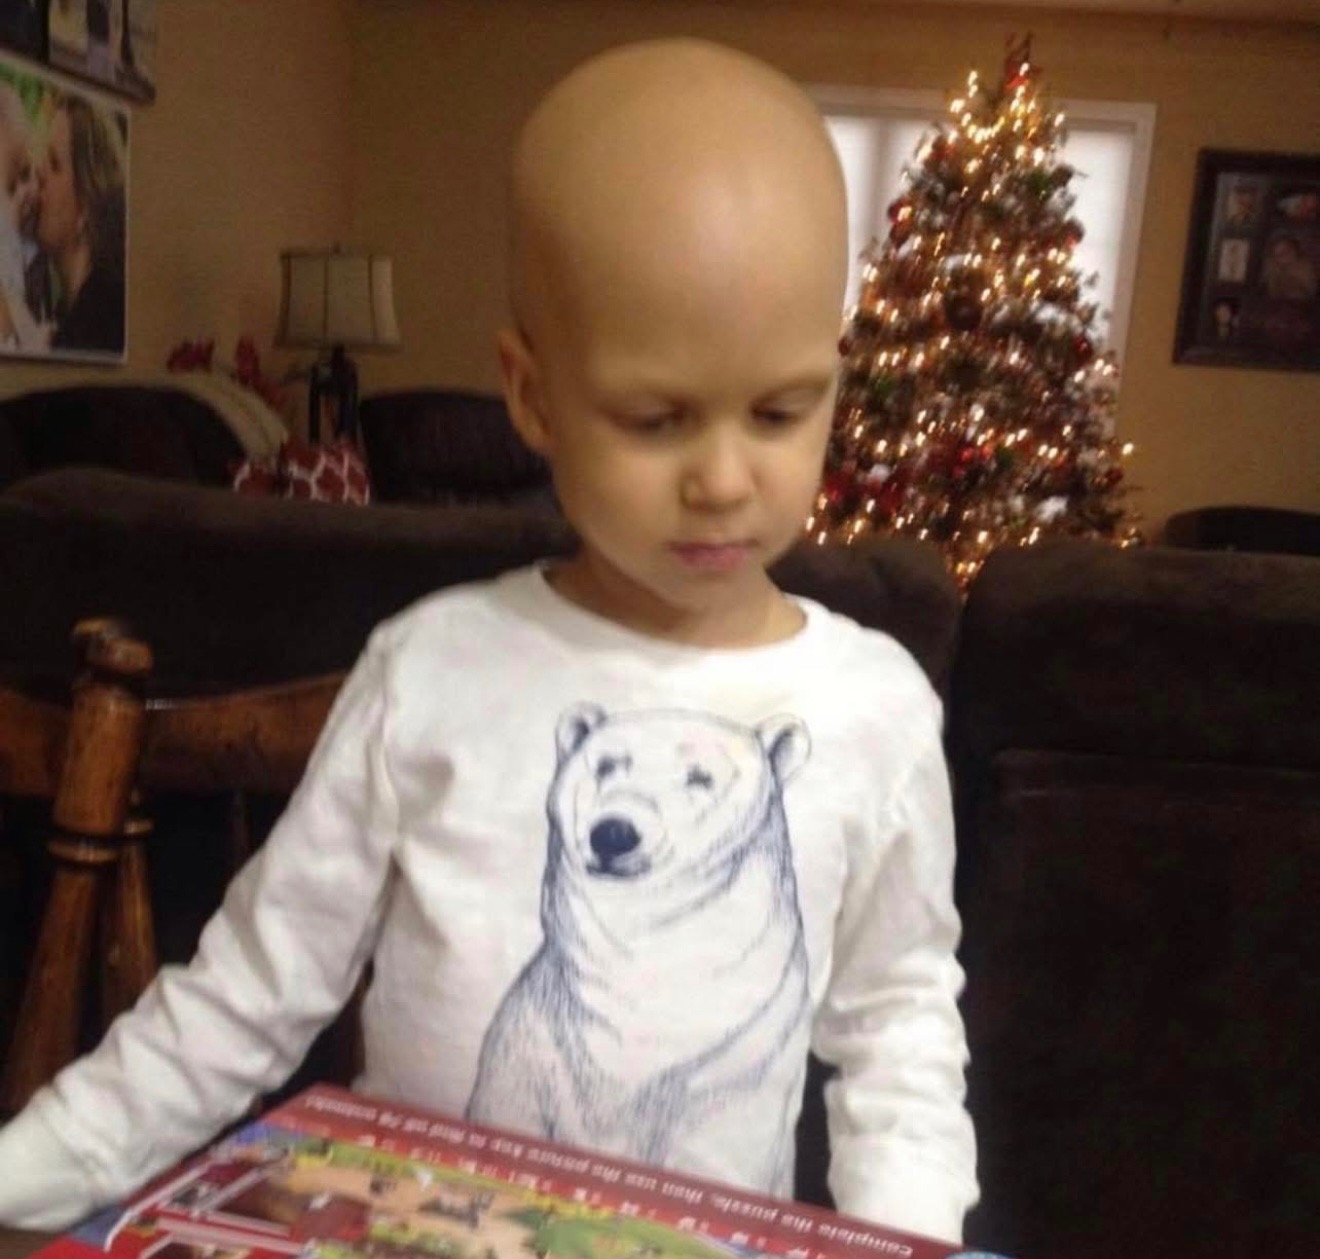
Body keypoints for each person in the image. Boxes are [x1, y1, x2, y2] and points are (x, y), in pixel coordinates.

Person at [0, 39, 978, 1240]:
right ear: (531, 395)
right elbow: (248, 991)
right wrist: (29, 1165)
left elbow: (898, 1035)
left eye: (781, 410)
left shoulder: (873, 707)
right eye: (654, 418)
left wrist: (908, 1232)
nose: (725, 479)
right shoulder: (428, 668)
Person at [37, 90, 126, 354]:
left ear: (85, 208)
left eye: (54, 164)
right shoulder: (70, 312)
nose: (39, 172)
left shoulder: (99, 324)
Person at [0, 83, 48, 352]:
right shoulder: (7, 243)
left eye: (28, 173)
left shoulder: (29, 247)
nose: (28, 191)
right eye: (11, 186)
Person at [1260, 234, 1318, 301]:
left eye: (1287, 250)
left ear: (1295, 250)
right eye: (1280, 254)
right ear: (1274, 260)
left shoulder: (1306, 268)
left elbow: (1311, 290)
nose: (1285, 255)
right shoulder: (1273, 276)